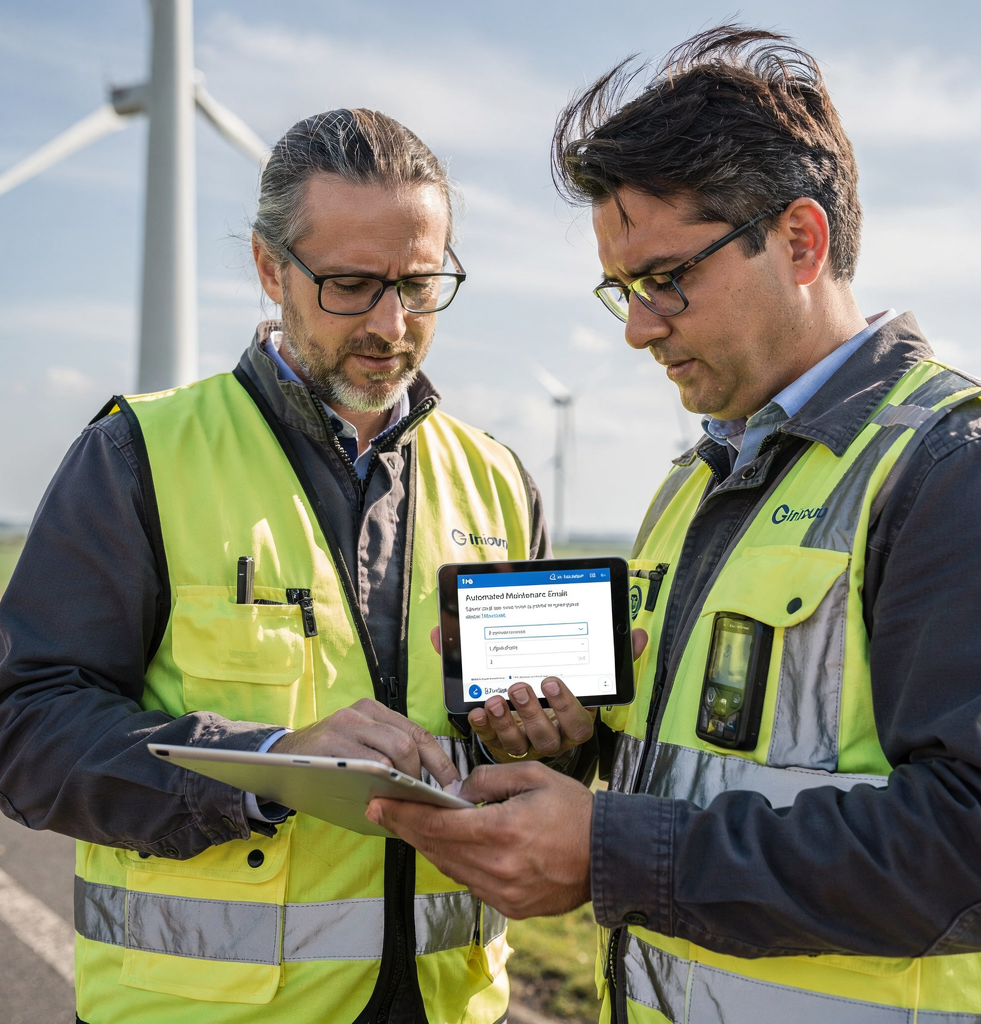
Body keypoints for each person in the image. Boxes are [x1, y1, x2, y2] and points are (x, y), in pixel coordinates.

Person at [368, 27, 981, 1023]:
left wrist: (613, 852)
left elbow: (965, 844)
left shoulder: (946, 470)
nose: (636, 327)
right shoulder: (694, 482)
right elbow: (690, 767)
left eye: (664, 278)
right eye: (622, 288)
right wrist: (569, 741)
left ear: (799, 241)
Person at [0, 108, 598, 1024]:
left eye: (421, 286)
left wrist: (558, 742)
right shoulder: (138, 455)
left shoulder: (497, 480)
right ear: (270, 268)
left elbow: (539, 747)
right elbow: (26, 738)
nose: (392, 324)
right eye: (350, 284)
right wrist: (266, 761)